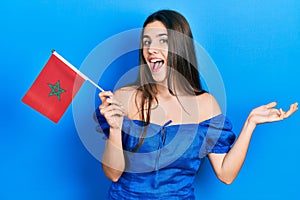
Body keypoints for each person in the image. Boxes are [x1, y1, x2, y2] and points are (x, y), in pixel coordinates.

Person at [97, 10, 298, 199]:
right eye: (146, 41)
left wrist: (250, 124)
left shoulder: (205, 104)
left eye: (163, 40)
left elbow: (226, 174)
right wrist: (115, 129)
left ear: (180, 47)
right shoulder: (125, 97)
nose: (151, 49)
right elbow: (113, 174)